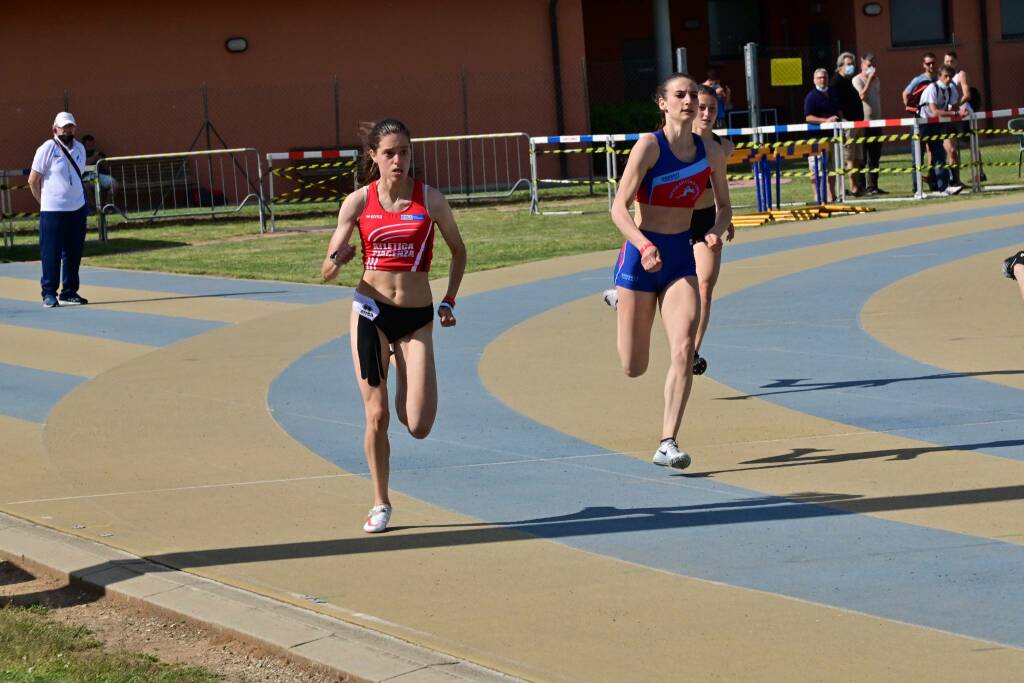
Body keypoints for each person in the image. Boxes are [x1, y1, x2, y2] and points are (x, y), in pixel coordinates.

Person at [320, 118, 467, 533]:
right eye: (389, 153)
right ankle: (381, 502)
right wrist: (338, 259)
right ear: (373, 157)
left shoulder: (432, 201)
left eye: (404, 151)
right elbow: (326, 268)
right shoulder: (358, 203)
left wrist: (450, 300)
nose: (398, 160)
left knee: (418, 425)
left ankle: (405, 364)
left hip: (417, 319)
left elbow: (459, 252)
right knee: (377, 415)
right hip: (370, 312)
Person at [607, 72, 732, 470]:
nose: (689, 101)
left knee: (683, 348)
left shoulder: (709, 152)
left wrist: (713, 232)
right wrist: (643, 246)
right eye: (680, 95)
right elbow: (617, 208)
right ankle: (620, 298)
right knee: (634, 366)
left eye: (693, 95)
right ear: (662, 103)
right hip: (641, 258)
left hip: (679, 257)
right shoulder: (648, 146)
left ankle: (667, 441)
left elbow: (725, 207)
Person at [689, 85, 735, 376]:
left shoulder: (722, 146)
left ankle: (692, 351)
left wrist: (722, 220)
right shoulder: (674, 144)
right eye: (701, 107)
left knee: (705, 287)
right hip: (673, 221)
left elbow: (722, 192)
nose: (707, 114)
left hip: (706, 221)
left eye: (713, 108)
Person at [27, 112, 89, 308]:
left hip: (77, 209)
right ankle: (49, 293)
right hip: (53, 211)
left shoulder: (80, 148)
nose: (67, 130)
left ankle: (70, 291)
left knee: (73, 252)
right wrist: (43, 203)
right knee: (51, 252)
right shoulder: (47, 148)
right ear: (55, 129)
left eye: (70, 127)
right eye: (63, 127)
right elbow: (33, 181)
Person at [919, 65, 967, 195]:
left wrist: (960, 111)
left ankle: (944, 186)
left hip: (936, 125)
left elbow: (954, 106)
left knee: (940, 155)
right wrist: (956, 113)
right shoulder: (932, 88)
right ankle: (917, 189)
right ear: (939, 76)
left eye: (950, 77)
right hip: (922, 124)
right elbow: (934, 111)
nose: (948, 79)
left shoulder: (949, 89)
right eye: (946, 76)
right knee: (918, 157)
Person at [944, 51, 985, 183]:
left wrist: (956, 105)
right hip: (949, 117)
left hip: (963, 115)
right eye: (947, 61)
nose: (949, 64)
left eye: (952, 61)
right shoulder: (942, 77)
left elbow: (967, 94)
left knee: (971, 145)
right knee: (951, 149)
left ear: (956, 62)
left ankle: (980, 173)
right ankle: (955, 180)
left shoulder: (961, 75)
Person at [804, 68, 842, 202]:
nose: (822, 80)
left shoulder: (833, 93)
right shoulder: (811, 96)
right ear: (814, 80)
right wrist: (825, 121)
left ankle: (831, 194)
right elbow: (808, 117)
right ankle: (817, 195)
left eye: (825, 77)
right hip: (816, 139)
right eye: (820, 77)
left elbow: (838, 111)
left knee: (832, 169)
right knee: (816, 170)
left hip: (833, 138)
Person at [852, 52, 887, 195]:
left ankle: (873, 186)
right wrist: (869, 80)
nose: (871, 68)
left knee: (875, 155)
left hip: (876, 123)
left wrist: (873, 79)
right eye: (868, 65)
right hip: (863, 124)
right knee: (862, 156)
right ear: (862, 65)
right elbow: (862, 96)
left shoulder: (877, 80)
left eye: (873, 65)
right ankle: (860, 186)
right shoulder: (857, 80)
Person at [831, 52, 865, 195]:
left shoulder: (848, 81)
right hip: (847, 125)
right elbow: (836, 104)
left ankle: (856, 185)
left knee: (857, 158)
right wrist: (843, 120)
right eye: (849, 64)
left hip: (857, 123)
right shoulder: (836, 82)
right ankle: (851, 188)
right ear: (840, 66)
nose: (852, 67)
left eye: (853, 64)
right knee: (849, 157)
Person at [904, 53, 938, 193]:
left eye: (933, 63)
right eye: (928, 63)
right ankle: (916, 186)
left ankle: (934, 182)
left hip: (934, 121)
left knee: (935, 154)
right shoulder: (918, 80)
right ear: (923, 65)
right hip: (919, 122)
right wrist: (912, 109)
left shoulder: (938, 79)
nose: (931, 66)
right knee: (918, 155)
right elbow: (905, 93)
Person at [82, 134, 118, 203]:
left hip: (101, 176)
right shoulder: (80, 155)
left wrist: (101, 160)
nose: (90, 147)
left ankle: (107, 206)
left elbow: (107, 167)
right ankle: (95, 209)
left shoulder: (99, 154)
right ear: (84, 145)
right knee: (86, 186)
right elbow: (84, 166)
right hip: (88, 177)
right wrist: (93, 159)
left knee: (115, 185)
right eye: (88, 146)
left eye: (92, 145)